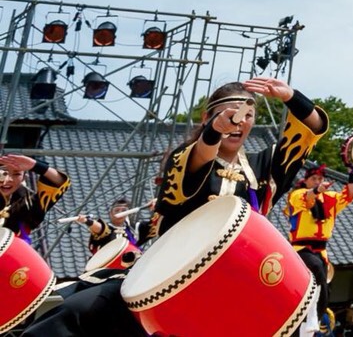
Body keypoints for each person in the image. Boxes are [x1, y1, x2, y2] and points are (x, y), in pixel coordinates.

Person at [26, 75, 328, 337]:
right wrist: (214, 131)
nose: (239, 122)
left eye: (247, 115)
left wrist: (290, 97)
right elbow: (197, 162)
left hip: (239, 284)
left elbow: (309, 128)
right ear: (206, 119)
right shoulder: (185, 158)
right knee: (78, 311)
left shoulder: (264, 167)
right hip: (173, 281)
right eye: (228, 115)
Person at [288, 161, 353, 322]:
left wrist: (352, 174)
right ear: (306, 181)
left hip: (322, 251)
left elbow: (349, 195)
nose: (317, 181)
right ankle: (310, 316)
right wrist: (317, 190)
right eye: (314, 178)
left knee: (325, 285)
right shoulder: (296, 195)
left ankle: (316, 317)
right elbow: (308, 197)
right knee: (316, 269)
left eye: (320, 179)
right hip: (301, 248)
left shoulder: (329, 198)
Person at [0, 151, 70, 242]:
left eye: (17, 174)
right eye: (3, 173)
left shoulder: (27, 204)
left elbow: (59, 182)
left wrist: (36, 166)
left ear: (24, 178)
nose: (8, 179)